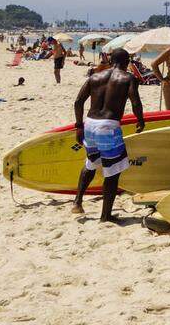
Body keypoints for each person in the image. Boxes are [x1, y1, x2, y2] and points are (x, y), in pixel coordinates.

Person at [71, 48, 143, 223]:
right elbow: (135, 102)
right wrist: (140, 120)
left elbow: (78, 101)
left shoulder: (95, 76)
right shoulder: (128, 78)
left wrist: (79, 126)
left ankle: (77, 202)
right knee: (112, 172)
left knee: (91, 163)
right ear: (127, 62)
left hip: (89, 124)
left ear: (111, 60)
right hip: (108, 127)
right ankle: (106, 216)